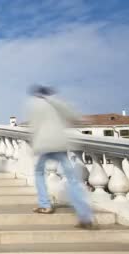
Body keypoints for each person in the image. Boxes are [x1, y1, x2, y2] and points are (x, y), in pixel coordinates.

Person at [27, 85, 93, 229]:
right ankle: (84, 215)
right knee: (72, 179)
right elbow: (74, 116)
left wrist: (33, 144)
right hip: (60, 143)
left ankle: (45, 204)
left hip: (44, 144)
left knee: (39, 173)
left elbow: (34, 126)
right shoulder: (58, 102)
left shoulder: (36, 104)